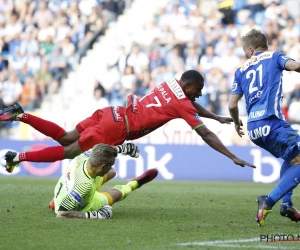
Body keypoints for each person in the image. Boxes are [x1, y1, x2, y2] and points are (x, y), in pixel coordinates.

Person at [0, 70, 255, 173]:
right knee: (69, 151)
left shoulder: (171, 84)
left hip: (111, 112)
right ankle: (16, 158)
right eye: (197, 89)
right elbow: (206, 135)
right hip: (119, 127)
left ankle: (20, 114)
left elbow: (190, 104)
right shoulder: (182, 102)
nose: (199, 93)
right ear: (187, 86)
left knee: (67, 136)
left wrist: (217, 116)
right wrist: (231, 155)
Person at [228, 29, 300, 226]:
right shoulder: (275, 56)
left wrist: (236, 122)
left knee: (292, 157)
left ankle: (287, 204)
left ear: (251, 49)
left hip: (253, 129)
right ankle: (267, 202)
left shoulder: (240, 70)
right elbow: (295, 66)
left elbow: (232, 105)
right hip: (271, 121)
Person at [51, 143, 158, 219]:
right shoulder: (83, 186)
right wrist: (95, 215)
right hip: (80, 204)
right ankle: (132, 184)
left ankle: (54, 201)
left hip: (61, 192)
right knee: (117, 194)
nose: (111, 167)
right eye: (109, 165)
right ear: (102, 166)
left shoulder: (84, 156)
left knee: (112, 172)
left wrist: (122, 149)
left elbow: (98, 149)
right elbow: (61, 213)